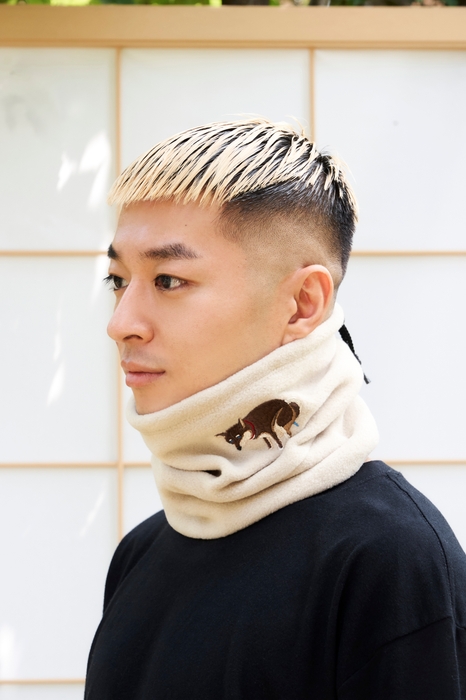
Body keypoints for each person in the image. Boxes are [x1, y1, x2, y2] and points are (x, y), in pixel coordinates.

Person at [84, 118, 466, 700]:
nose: (121, 323)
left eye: (168, 280)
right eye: (117, 280)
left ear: (302, 303)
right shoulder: (140, 553)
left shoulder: (391, 561)